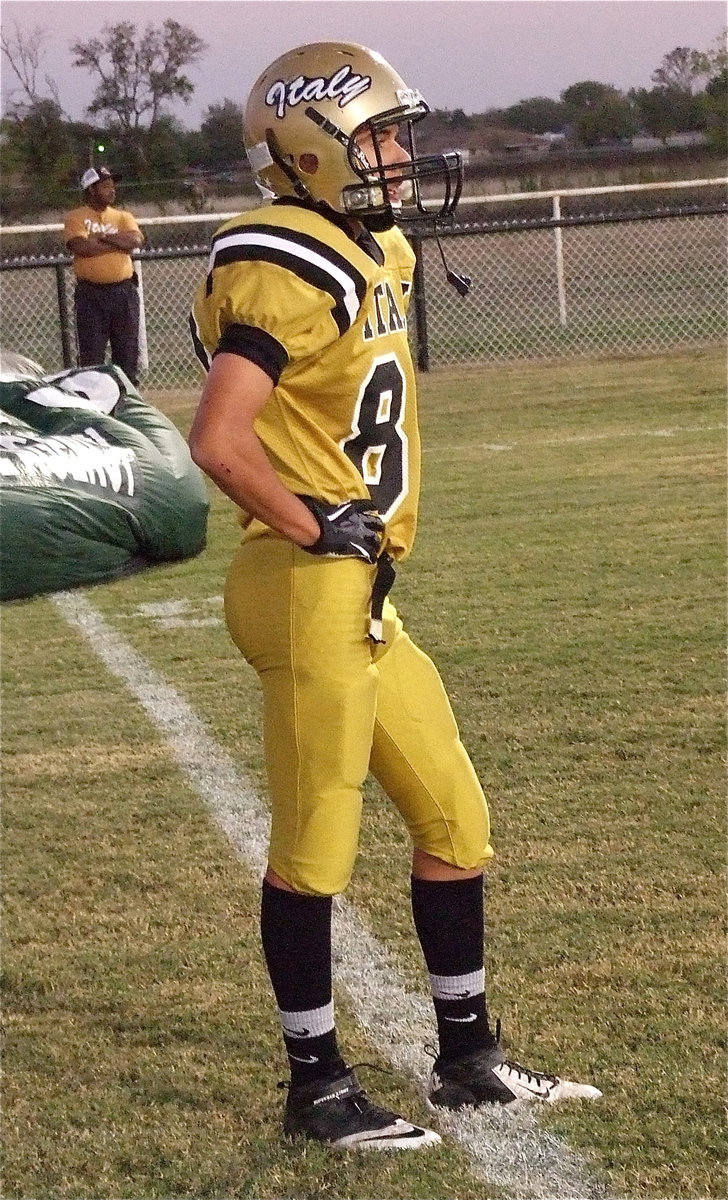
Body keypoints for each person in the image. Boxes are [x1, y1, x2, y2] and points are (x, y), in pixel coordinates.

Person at [188, 41, 602, 1152]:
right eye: (377, 136)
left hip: (362, 591)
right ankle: (314, 1085)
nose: (400, 155)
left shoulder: (380, 248)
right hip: (303, 581)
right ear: (311, 150)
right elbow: (219, 439)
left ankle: (466, 1059)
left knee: (455, 821)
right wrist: (312, 520)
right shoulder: (281, 263)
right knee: (315, 843)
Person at [64, 166, 145, 385]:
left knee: (127, 351)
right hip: (91, 295)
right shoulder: (76, 217)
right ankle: (94, 401)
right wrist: (118, 242)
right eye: (106, 186)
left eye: (112, 186)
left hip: (124, 292)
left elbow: (135, 241)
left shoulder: (122, 216)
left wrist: (102, 238)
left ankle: (127, 399)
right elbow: (81, 247)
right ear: (91, 190)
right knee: (92, 354)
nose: (112, 191)